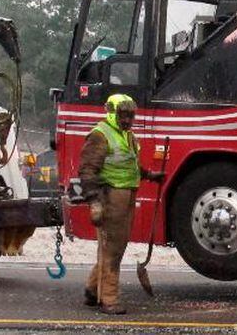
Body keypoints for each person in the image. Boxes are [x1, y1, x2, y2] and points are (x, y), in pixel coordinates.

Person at [78, 93, 165, 315]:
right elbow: (87, 171)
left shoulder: (127, 136)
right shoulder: (100, 135)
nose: (127, 120)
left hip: (126, 195)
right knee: (113, 249)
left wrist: (149, 175)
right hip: (111, 196)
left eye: (130, 116)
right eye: (123, 115)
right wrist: (95, 202)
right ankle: (108, 299)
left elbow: (130, 166)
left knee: (113, 246)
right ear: (112, 113)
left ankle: (92, 289)